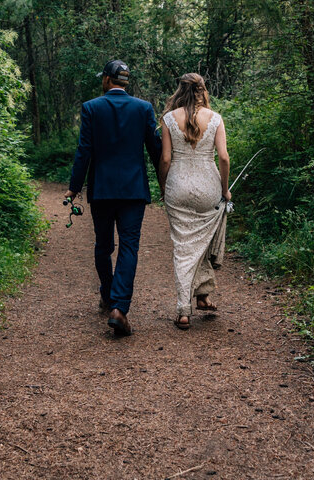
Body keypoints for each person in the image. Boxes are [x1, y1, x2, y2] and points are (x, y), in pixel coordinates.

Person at [66, 59, 162, 337]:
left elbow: (84, 151)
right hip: (133, 190)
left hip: (103, 189)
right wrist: (165, 182)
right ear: (125, 81)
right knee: (129, 246)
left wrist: (74, 187)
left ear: (108, 80)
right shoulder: (143, 108)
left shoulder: (91, 108)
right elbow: (155, 151)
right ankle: (119, 307)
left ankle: (108, 296)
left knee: (103, 245)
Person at [159, 73, 230, 330]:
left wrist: (163, 186)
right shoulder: (216, 119)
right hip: (208, 186)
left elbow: (165, 159)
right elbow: (223, 157)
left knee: (183, 246)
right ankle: (201, 296)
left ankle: (184, 309)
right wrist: (225, 190)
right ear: (203, 90)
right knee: (202, 241)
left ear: (180, 90)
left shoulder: (168, 118)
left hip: (178, 186)